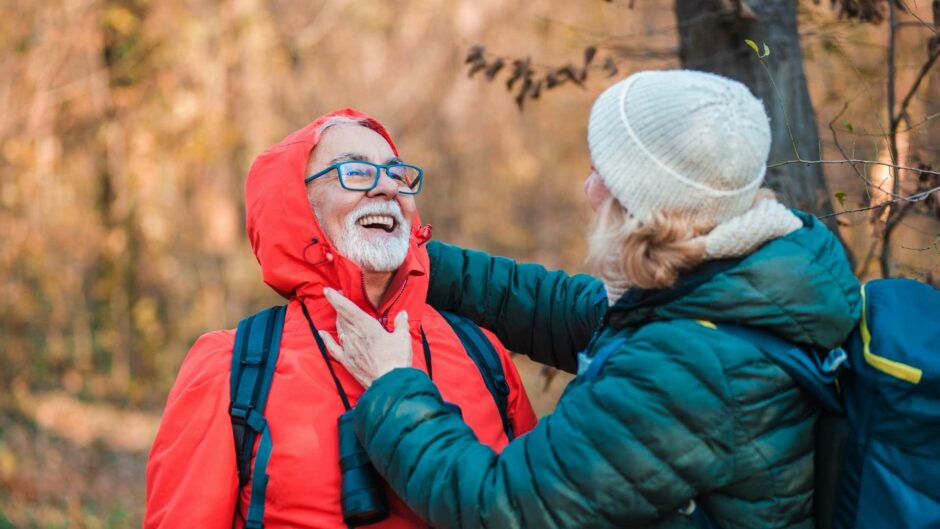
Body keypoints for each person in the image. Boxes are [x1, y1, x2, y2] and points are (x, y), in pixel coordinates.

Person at [320, 71, 863, 529]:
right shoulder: (742, 283)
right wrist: (416, 260)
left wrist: (393, 385)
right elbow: (571, 310)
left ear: (647, 204)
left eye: (604, 173)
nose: (588, 188)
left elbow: (502, 506)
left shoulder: (688, 371)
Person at [144, 108, 537, 529]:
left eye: (396, 173)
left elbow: (536, 509)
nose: (386, 186)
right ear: (298, 204)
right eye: (354, 171)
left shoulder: (480, 351)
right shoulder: (232, 367)